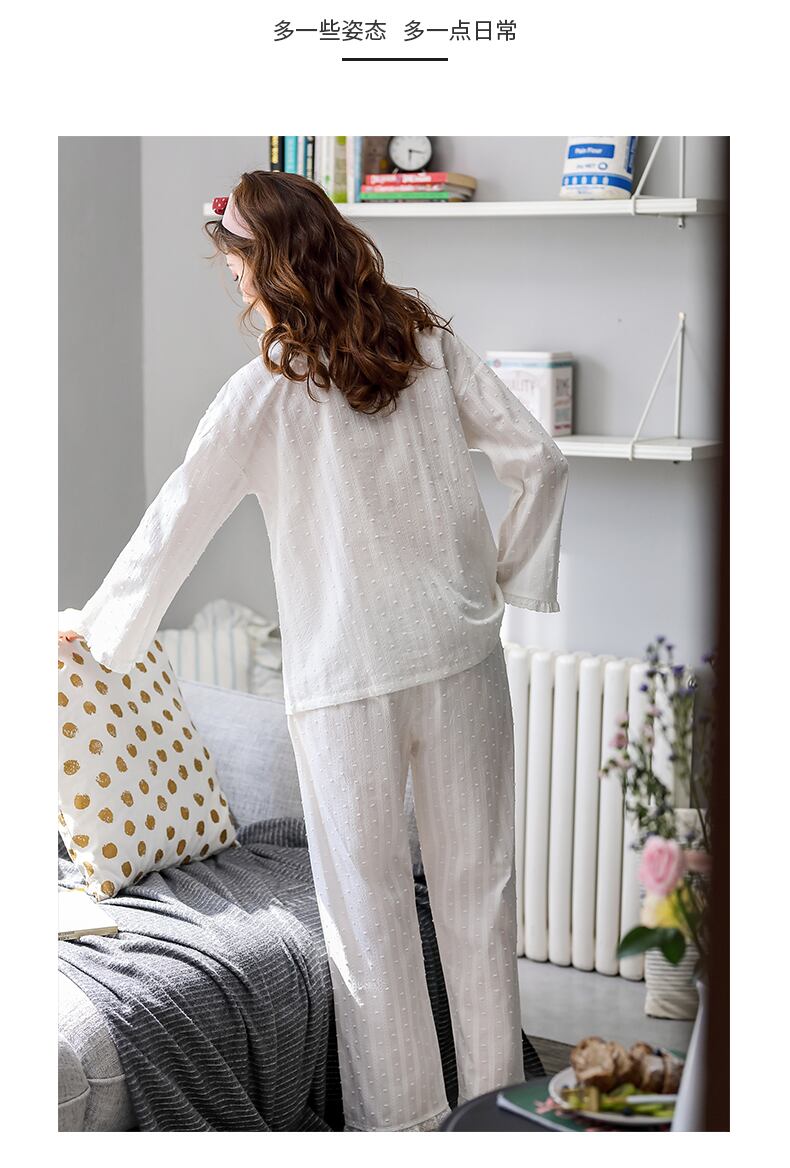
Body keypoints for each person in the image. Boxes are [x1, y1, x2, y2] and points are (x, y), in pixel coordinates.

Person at [59, 169, 569, 1132]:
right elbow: (540, 462)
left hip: (347, 680)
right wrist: (506, 583)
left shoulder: (263, 393)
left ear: (272, 265)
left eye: (239, 272)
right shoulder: (427, 346)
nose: (239, 291)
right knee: (478, 894)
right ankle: (500, 1117)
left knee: (368, 919)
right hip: (460, 657)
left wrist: (102, 628)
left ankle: (405, 1130)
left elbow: (177, 519)